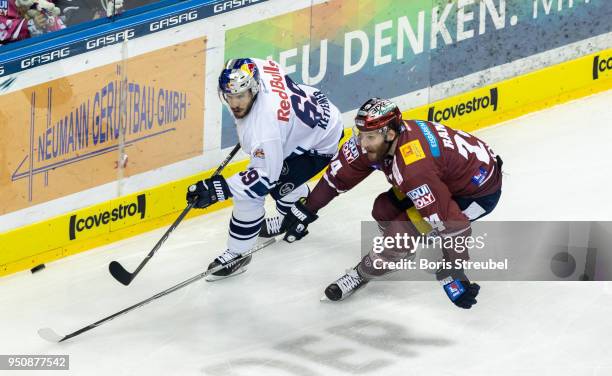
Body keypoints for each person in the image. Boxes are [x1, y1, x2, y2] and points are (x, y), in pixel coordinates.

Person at [279, 98, 503, 308]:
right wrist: (308, 208)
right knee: (383, 208)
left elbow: (453, 225)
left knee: (399, 235)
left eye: (370, 137)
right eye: (361, 134)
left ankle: (364, 271)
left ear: (390, 134)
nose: (362, 144)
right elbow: (337, 177)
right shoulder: (384, 143)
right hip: (446, 177)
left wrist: (452, 271)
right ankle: (401, 253)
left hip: (476, 194)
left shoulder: (414, 169)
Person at [186, 58, 344, 280]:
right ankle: (292, 195)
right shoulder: (250, 66)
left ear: (254, 88)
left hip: (317, 143)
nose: (234, 104)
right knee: (275, 184)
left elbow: (263, 179)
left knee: (250, 195)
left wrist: (217, 189)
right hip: (311, 112)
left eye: (240, 96)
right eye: (229, 96)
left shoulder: (265, 129)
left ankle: (238, 255)